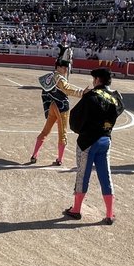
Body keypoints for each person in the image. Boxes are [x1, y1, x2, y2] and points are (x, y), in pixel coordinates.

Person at [63, 67, 124, 225]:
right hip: (106, 139)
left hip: (89, 141)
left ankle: (76, 209)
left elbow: (75, 120)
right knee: (105, 175)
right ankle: (109, 214)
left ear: (97, 80)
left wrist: (82, 130)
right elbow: (119, 110)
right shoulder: (116, 96)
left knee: (83, 175)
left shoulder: (91, 96)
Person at [30, 59, 86, 165]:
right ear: (58, 67)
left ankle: (34, 155)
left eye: (66, 67)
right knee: (62, 134)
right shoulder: (60, 79)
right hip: (62, 107)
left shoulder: (50, 76)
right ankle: (60, 159)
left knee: (45, 131)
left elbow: (45, 92)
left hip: (52, 106)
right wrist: (82, 93)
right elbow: (67, 89)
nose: (66, 69)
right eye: (64, 67)